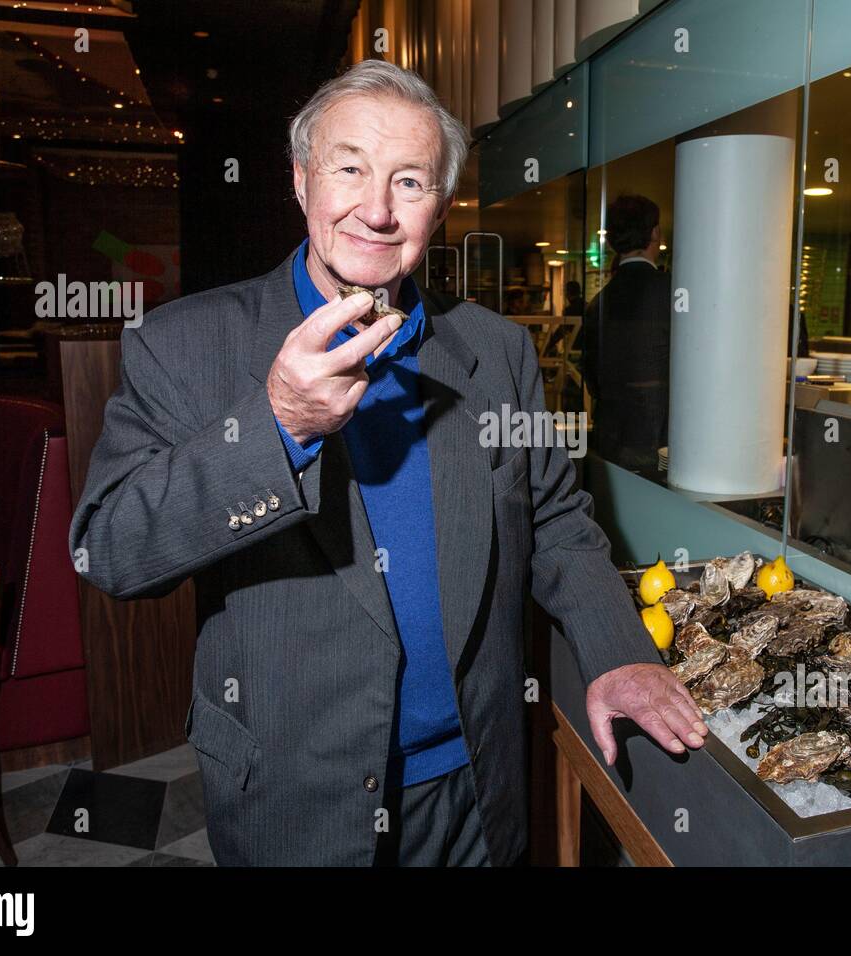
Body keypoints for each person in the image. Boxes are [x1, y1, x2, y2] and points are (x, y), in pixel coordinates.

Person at [69, 60, 705, 867]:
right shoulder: (185, 344)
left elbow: (558, 524)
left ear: (439, 206)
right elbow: (111, 550)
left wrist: (619, 651)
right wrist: (278, 426)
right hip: (296, 800)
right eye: (349, 169)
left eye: (409, 181)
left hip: (475, 786)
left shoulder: (496, 352)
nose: (375, 210)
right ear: (300, 181)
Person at [582, 194, 671, 472]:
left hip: (612, 435)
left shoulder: (599, 302)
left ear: (611, 241)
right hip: (662, 437)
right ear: (655, 232)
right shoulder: (673, 291)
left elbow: (592, 376)